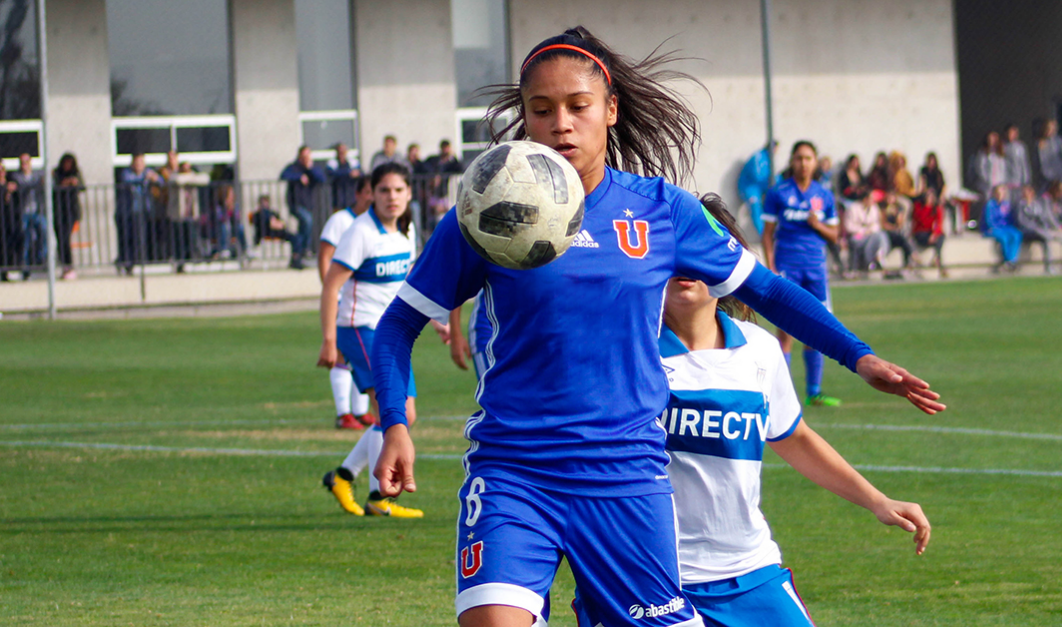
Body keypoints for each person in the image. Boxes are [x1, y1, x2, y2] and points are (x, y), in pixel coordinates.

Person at [370, 27, 942, 627]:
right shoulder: (487, 209)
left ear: (611, 110)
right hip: (515, 471)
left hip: (626, 476)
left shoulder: (661, 210)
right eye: (541, 110)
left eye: (578, 106)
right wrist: (395, 425)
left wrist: (858, 356)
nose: (561, 124)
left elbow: (766, 289)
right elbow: (398, 325)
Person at [573, 195, 930, 627]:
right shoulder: (624, 349)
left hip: (749, 570)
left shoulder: (759, 349)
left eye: (699, 249)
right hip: (646, 576)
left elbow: (793, 437)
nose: (686, 262)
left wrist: (877, 501)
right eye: (673, 250)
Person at [317, 163, 423, 518]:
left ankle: (343, 477)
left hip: (391, 330)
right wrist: (329, 340)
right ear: (371, 194)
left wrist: (437, 320)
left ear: (409, 193)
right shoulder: (361, 232)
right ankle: (379, 497)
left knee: (404, 413)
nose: (392, 197)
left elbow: (407, 280)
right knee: (390, 411)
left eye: (398, 190)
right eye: (384, 190)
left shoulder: (406, 230)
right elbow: (331, 285)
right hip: (360, 329)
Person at [762, 140, 843, 407]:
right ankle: (782, 396)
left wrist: (818, 225)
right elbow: (767, 234)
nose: (803, 163)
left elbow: (835, 234)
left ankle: (814, 392)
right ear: (792, 161)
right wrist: (771, 266)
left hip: (816, 269)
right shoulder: (778, 193)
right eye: (799, 158)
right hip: (788, 265)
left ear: (816, 162)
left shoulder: (824, 195)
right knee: (786, 329)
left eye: (808, 158)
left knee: (816, 327)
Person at [318, 176, 375, 430]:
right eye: (368, 192)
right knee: (342, 353)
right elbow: (325, 256)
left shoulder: (375, 224)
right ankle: (343, 413)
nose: (372, 198)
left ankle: (361, 411)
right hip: (344, 299)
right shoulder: (341, 220)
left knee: (362, 355)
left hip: (367, 302)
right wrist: (331, 289)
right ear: (358, 194)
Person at [279, 145, 325, 269]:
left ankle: (297, 255)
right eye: (303, 157)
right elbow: (283, 175)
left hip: (308, 205)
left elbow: (322, 178)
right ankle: (305, 249)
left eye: (307, 156)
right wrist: (299, 176)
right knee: (307, 221)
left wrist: (310, 169)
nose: (306, 159)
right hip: (296, 204)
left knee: (301, 231)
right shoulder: (294, 167)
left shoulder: (312, 168)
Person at [115, 153, 160, 275]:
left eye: (141, 162)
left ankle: (140, 260)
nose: (139, 165)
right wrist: (145, 178)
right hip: (129, 211)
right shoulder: (127, 173)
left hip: (143, 209)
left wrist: (155, 178)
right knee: (128, 238)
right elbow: (129, 181)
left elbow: (160, 181)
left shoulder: (148, 172)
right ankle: (127, 262)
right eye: (137, 162)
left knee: (142, 237)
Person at [1015, 185, 1062, 274]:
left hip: (1038, 231)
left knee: (1045, 240)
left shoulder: (1036, 205)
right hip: (1026, 231)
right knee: (1044, 235)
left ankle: (1049, 266)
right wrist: (1034, 227)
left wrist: (1043, 226)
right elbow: (1021, 221)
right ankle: (1054, 237)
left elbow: (1042, 218)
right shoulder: (1020, 205)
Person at [9, 153, 45, 278]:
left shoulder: (37, 175)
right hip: (24, 212)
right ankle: (25, 266)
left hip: (36, 211)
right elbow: (20, 187)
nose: (24, 165)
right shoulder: (16, 176)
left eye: (26, 162)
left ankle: (41, 260)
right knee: (25, 237)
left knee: (44, 231)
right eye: (22, 162)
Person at [52, 153, 85, 280]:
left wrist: (75, 182)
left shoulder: (76, 173)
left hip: (71, 211)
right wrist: (63, 184)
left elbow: (83, 187)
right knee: (60, 238)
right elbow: (53, 187)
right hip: (59, 210)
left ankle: (69, 265)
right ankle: (64, 265)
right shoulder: (56, 173)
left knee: (65, 238)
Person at [844, 190, 889, 276]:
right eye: (871, 199)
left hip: (871, 234)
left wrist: (870, 230)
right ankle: (872, 260)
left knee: (880, 236)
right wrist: (864, 231)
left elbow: (877, 224)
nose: (873, 201)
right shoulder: (853, 208)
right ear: (865, 199)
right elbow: (849, 226)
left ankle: (879, 256)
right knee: (875, 238)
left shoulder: (874, 208)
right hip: (857, 235)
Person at [737, 141, 777, 234]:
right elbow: (757, 175)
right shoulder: (758, 157)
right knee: (756, 209)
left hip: (758, 189)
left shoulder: (768, 158)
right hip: (749, 188)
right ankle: (763, 235)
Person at [982, 185, 1022, 272]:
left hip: (1005, 227)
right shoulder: (990, 205)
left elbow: (1009, 218)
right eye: (998, 193)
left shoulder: (1006, 204)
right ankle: (1007, 260)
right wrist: (993, 227)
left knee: (1017, 235)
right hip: (993, 228)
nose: (1000, 195)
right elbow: (989, 220)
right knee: (1004, 238)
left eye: (1002, 193)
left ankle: (1013, 259)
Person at [424, 139, 464, 224]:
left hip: (447, 192)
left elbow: (460, 168)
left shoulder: (453, 162)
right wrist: (434, 177)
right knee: (436, 215)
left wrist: (453, 157)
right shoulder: (435, 160)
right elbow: (425, 167)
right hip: (435, 193)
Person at [911, 188, 947, 278]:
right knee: (932, 239)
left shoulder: (936, 209)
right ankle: (940, 263)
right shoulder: (918, 207)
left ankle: (937, 258)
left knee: (941, 237)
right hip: (920, 232)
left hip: (931, 233)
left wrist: (934, 234)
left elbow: (939, 224)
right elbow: (921, 222)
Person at [880, 190, 915, 272]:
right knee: (903, 238)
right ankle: (913, 254)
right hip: (887, 232)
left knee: (903, 239)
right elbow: (883, 224)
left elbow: (900, 224)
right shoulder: (883, 209)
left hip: (896, 233)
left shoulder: (898, 209)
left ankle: (907, 262)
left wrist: (897, 215)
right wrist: (893, 227)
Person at [1035, 119, 1062, 189]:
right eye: (1047, 128)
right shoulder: (1039, 143)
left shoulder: (1059, 141)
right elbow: (1037, 161)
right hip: (1045, 176)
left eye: (1052, 128)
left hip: (1059, 175)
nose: (1049, 131)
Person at [326, 142, 362, 211]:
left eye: (343, 151)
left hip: (351, 198)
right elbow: (331, 175)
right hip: (338, 199)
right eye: (340, 152)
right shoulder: (332, 163)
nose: (342, 153)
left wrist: (357, 174)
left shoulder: (353, 162)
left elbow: (361, 174)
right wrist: (349, 173)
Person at [1004, 123, 1031, 191]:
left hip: (1018, 181)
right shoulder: (1002, 146)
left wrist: (1026, 180)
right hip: (1006, 181)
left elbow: (1024, 163)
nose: (1011, 135)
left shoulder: (1020, 147)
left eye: (1013, 133)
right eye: (1009, 133)